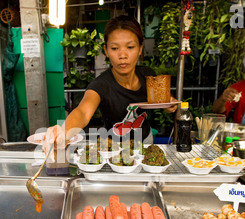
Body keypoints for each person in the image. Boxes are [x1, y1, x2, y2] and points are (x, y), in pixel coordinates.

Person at [43, 15, 177, 154]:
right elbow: (82, 112)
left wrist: (169, 103)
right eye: (114, 48)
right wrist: (63, 132)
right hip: (113, 148)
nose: (122, 55)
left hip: (145, 141)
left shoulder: (148, 75)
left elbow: (162, 97)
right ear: (106, 50)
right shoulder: (101, 85)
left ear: (140, 48)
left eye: (130, 47)